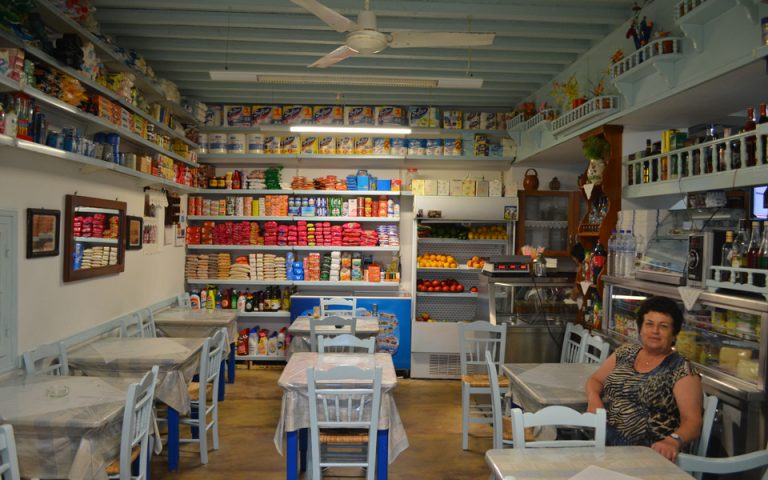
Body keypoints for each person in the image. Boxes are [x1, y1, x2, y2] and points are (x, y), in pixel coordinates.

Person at [586, 296, 702, 461]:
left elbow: (693, 422)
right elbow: (595, 380)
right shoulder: (626, 352)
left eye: (663, 326)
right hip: (602, 446)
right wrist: (593, 399)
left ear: (674, 334)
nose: (655, 331)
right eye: (649, 324)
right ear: (640, 329)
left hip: (648, 456)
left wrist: (672, 441)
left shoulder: (682, 370)